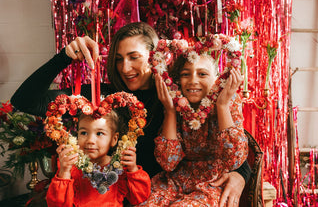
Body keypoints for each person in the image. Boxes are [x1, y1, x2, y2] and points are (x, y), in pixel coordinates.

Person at [11, 22, 250, 206]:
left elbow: (224, 138)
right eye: (118, 60)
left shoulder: (176, 94)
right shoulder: (103, 97)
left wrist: (241, 173)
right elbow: (24, 100)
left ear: (154, 56)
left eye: (134, 57)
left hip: (158, 194)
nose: (125, 68)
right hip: (104, 198)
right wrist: (63, 56)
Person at [139, 50, 248, 206]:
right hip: (175, 182)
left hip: (212, 183)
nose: (193, 81)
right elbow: (168, 162)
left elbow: (235, 159)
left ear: (217, 80)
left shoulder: (229, 101)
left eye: (202, 74)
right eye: (185, 74)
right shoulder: (175, 103)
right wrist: (169, 110)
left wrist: (222, 105)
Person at [46, 110, 151, 206]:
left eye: (99, 133)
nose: (90, 140)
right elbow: (56, 204)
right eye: (84, 133)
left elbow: (140, 198)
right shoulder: (71, 167)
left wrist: (133, 169)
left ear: (114, 139)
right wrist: (64, 172)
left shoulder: (119, 167)